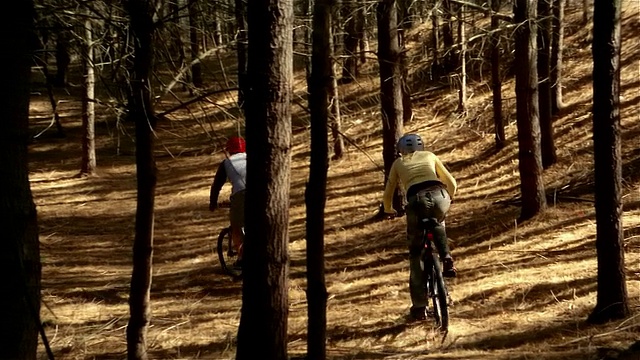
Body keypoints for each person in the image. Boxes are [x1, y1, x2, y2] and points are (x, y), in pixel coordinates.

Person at [382, 133, 458, 321]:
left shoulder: (398, 163)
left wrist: (389, 209)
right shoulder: (430, 156)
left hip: (416, 201)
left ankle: (419, 307)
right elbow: (452, 182)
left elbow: (389, 191)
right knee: (438, 222)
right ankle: (446, 256)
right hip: (440, 195)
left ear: (401, 149)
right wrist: (450, 198)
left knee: (416, 255)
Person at [210, 136, 247, 269]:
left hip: (240, 195)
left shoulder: (227, 163)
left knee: (236, 226)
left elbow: (216, 186)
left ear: (229, 150)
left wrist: (213, 203)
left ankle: (242, 258)